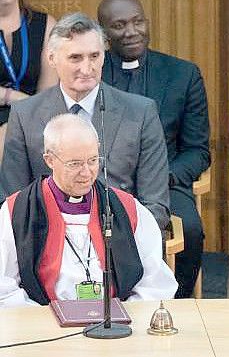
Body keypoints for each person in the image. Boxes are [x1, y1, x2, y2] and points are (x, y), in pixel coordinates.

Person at [0, 13, 170, 232]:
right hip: (48, 245)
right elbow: (14, 200)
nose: (87, 68)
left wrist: (120, 242)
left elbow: (155, 205)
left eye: (94, 56)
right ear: (52, 59)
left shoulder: (141, 113)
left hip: (121, 242)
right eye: (75, 58)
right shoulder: (25, 115)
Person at [98, 0, 210, 299]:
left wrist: (162, 177)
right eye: (119, 25)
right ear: (105, 35)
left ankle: (179, 302)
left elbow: (198, 151)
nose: (131, 31)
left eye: (137, 21)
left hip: (167, 181)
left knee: (189, 228)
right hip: (104, 181)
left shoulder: (182, 74)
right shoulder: (94, 75)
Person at [0, 114, 176, 307]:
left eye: (93, 160)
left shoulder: (128, 208)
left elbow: (155, 283)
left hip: (118, 325)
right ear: (49, 160)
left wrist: (125, 316)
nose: (86, 172)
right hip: (46, 326)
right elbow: (4, 287)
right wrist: (46, 321)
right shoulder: (17, 211)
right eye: (75, 164)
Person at [0, 0, 59, 160]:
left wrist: (26, 107)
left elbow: (48, 91)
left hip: (35, 112)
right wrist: (12, 97)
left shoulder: (45, 25)